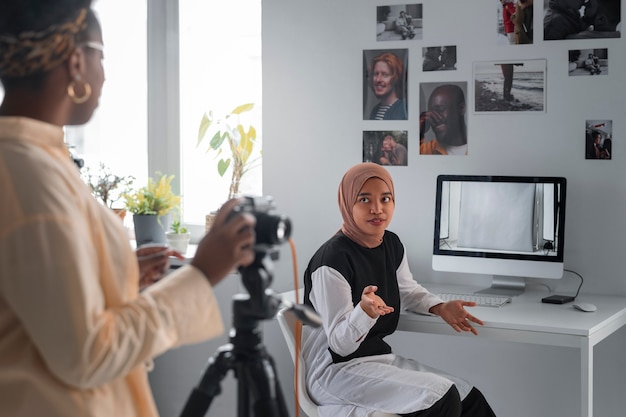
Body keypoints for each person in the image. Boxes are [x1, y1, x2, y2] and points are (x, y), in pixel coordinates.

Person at [0, 2, 256, 416]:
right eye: (102, 54)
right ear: (77, 60)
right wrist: (200, 274)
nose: (105, 72)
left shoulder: (33, 162)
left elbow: (36, 306)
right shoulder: (32, 178)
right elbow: (89, 354)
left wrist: (116, 279)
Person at [302, 162, 497, 417]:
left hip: (377, 360)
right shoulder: (332, 260)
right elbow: (340, 345)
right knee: (442, 398)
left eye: (386, 198)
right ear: (347, 203)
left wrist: (440, 307)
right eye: (364, 199)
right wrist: (364, 312)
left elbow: (408, 290)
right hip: (335, 371)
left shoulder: (390, 244)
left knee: (469, 398)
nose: (377, 209)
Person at [420, 84, 468, 155]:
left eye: (440, 109)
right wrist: (418, 132)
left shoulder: (480, 146)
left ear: (461, 109)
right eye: (431, 113)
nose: (434, 117)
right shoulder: (426, 150)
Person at [367, 52, 408, 120]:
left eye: (385, 75)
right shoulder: (375, 110)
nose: (378, 79)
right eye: (376, 74)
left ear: (396, 78)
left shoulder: (403, 110)